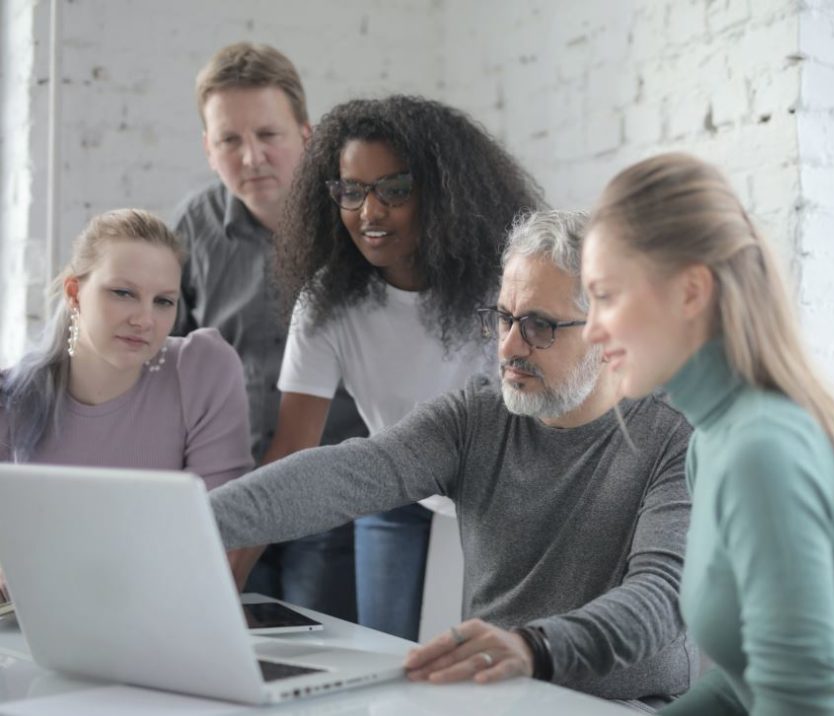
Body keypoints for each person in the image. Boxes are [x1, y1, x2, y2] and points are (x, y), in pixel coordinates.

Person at [210, 210, 695, 706]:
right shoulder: (475, 417)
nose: (509, 346)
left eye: (539, 326)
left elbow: (661, 596)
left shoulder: (675, 439)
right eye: (504, 318)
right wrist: (192, 521)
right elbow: (346, 474)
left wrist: (534, 648)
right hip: (501, 695)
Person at [581, 153, 834, 715]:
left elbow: (803, 704)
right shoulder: (713, 440)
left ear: (690, 292)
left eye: (606, 296)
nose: (589, 331)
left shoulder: (762, 450)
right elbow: (744, 681)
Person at [240, 94, 544, 641]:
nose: (369, 212)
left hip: (500, 504)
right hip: (395, 496)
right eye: (350, 191)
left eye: (395, 190)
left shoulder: (502, 286)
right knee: (392, 662)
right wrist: (225, 583)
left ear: (443, 194)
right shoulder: (327, 302)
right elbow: (291, 451)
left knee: (491, 670)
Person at [172, 42, 367, 620]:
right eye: (229, 140)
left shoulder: (355, 226)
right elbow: (165, 362)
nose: (251, 157)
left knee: (324, 670)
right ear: (208, 149)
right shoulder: (191, 228)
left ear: (306, 136)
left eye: (268, 134)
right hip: (223, 497)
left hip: (329, 499)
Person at [0, 208, 252, 600]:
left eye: (163, 301)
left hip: (163, 612)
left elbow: (219, 536)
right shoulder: (12, 398)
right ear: (74, 293)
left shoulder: (202, 370)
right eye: (123, 293)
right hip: (33, 625)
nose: (144, 319)